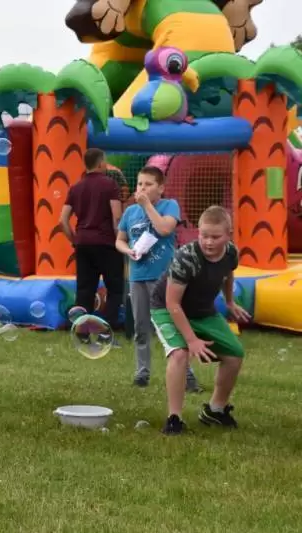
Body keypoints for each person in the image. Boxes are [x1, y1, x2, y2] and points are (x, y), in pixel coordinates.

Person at [149, 206, 251, 435]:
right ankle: (174, 418)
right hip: (167, 308)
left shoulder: (231, 253)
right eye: (204, 235)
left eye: (215, 237)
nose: (208, 242)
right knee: (179, 354)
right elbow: (172, 303)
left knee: (235, 355)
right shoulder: (186, 258)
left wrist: (230, 302)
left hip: (202, 310)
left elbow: (228, 272)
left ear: (229, 235)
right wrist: (191, 340)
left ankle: (215, 410)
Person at [116, 166, 202, 391]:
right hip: (137, 276)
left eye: (148, 184)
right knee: (141, 326)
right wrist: (127, 250)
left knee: (172, 325)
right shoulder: (130, 213)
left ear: (161, 188)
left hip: (164, 277)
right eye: (140, 184)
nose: (142, 188)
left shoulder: (169, 206)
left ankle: (187, 376)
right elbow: (120, 239)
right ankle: (142, 373)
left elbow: (164, 229)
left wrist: (147, 206)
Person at [60, 148, 124, 331]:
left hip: (83, 244)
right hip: (106, 244)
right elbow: (117, 217)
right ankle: (108, 327)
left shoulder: (76, 188)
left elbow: (62, 220)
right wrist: (120, 241)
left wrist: (74, 239)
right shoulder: (110, 185)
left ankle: (82, 329)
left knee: (85, 290)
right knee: (115, 288)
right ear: (101, 163)